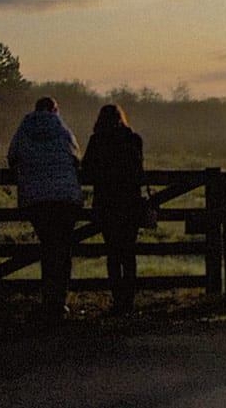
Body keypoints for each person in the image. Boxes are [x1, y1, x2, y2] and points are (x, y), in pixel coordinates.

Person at [8, 97, 84, 322]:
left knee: (48, 247)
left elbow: (12, 157)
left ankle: (48, 301)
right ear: (55, 110)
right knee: (63, 248)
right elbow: (76, 157)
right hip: (65, 198)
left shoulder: (25, 129)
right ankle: (60, 301)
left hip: (38, 199)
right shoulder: (63, 130)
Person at [81, 104, 144, 315]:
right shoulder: (133, 139)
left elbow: (87, 169)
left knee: (113, 253)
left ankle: (118, 299)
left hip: (107, 203)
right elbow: (139, 170)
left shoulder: (97, 140)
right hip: (130, 203)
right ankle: (129, 301)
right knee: (129, 252)